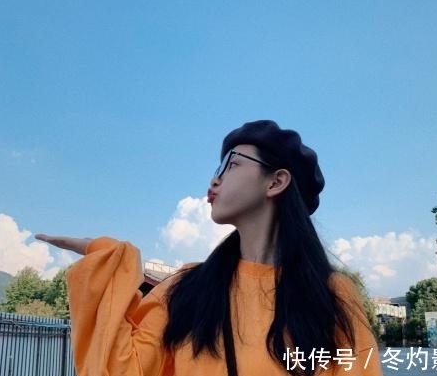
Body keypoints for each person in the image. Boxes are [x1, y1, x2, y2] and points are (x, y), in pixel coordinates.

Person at [36, 120, 382, 376]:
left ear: (276, 182)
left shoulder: (330, 294)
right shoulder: (186, 287)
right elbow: (122, 369)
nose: (214, 179)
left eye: (232, 164)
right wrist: (110, 262)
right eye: (218, 167)